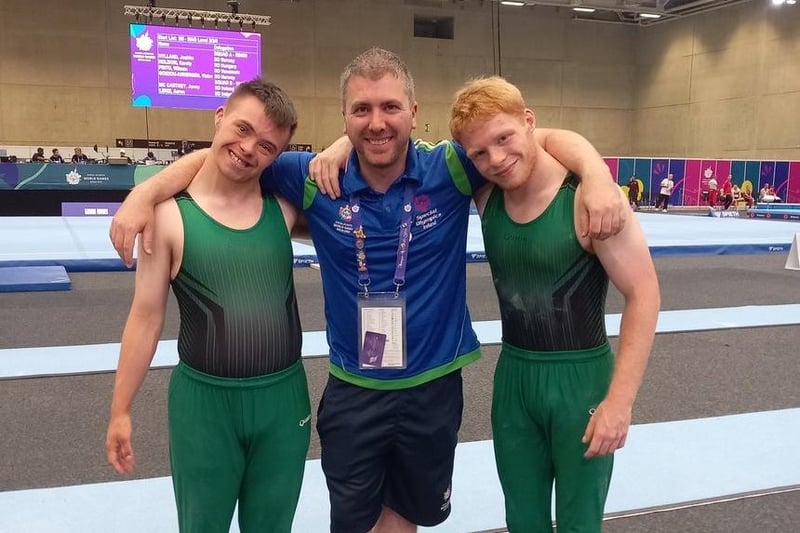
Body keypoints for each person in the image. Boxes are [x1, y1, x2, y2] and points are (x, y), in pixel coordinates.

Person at [108, 48, 628, 533]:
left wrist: (596, 173)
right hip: (355, 388)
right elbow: (228, 157)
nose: (377, 121)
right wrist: (146, 190)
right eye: (361, 109)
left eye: (389, 108)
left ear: (413, 112)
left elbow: (534, 137)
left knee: (409, 514)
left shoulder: (451, 168)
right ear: (344, 118)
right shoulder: (312, 179)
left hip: (432, 384)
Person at [449, 76, 659, 533]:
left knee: (579, 523)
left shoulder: (589, 200)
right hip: (514, 382)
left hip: (581, 382)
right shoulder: (486, 195)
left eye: (504, 139)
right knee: (522, 520)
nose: (497, 160)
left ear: (529, 122)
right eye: (479, 153)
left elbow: (644, 294)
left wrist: (620, 403)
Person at [105, 79, 311, 532]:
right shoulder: (168, 218)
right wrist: (120, 409)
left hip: (283, 401)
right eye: (240, 129)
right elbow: (145, 318)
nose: (247, 149)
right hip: (204, 407)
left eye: (266, 146)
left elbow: (360, 209)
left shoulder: (285, 210)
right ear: (218, 117)